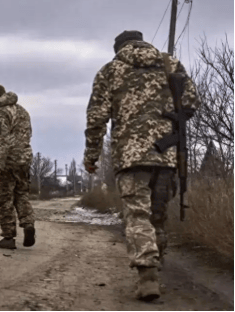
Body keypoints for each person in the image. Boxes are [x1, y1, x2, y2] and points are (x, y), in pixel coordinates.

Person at [83, 30, 200, 301]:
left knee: (137, 215)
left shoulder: (110, 70)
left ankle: (148, 276)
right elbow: (192, 102)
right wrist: (169, 119)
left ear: (118, 49)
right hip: (168, 156)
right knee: (157, 216)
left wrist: (91, 156)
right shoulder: (170, 64)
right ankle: (156, 268)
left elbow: (96, 118)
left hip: (130, 157)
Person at [0, 84, 35, 249]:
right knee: (21, 194)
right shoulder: (22, 111)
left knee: (5, 199)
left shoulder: (0, 113)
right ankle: (28, 225)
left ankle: (8, 237)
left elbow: (1, 141)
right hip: (24, 160)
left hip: (7, 163)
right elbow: (25, 136)